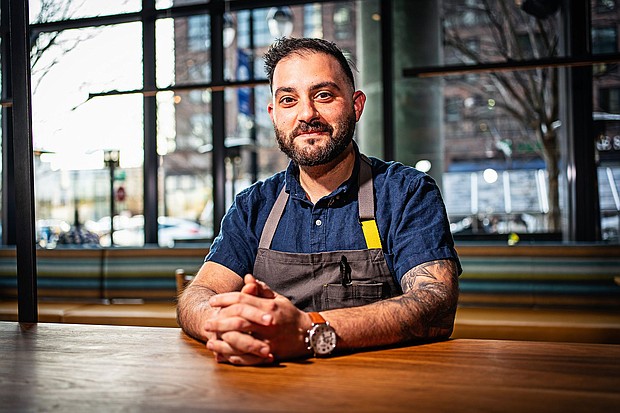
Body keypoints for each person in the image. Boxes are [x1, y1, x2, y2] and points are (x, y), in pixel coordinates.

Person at [177, 37, 461, 365]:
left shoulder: (406, 192)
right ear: (273, 114)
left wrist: (309, 331)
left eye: (323, 95)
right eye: (288, 100)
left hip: (379, 387)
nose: (306, 114)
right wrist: (223, 328)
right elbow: (197, 296)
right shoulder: (252, 206)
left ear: (356, 105)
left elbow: (435, 304)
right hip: (270, 385)